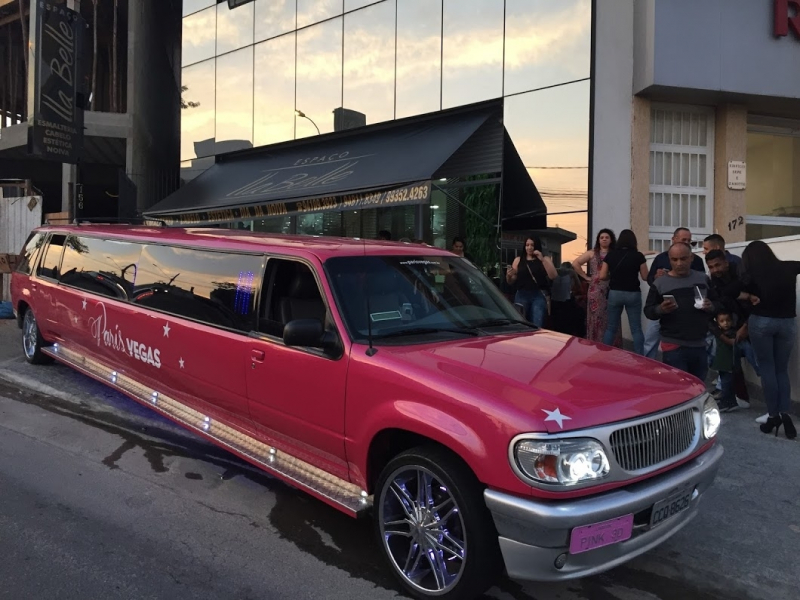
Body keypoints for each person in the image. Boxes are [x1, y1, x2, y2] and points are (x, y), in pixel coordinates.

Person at [740, 241, 800, 439]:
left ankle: (773, 415)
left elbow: (729, 291)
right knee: (781, 369)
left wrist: (748, 295)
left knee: (767, 368)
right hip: (787, 323)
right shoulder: (789, 267)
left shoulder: (750, 275)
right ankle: (785, 414)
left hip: (762, 322)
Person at [644, 243, 715, 380]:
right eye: (674, 259)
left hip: (699, 343)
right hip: (673, 345)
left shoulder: (703, 279)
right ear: (669, 259)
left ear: (691, 258)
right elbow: (648, 311)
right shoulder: (660, 283)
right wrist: (661, 309)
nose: (679, 263)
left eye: (683, 259)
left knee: (698, 388)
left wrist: (711, 306)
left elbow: (717, 304)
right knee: (679, 389)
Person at [705, 249, 759, 409]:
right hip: (729, 331)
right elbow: (713, 311)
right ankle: (731, 399)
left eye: (718, 265)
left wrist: (746, 327)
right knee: (726, 364)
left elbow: (758, 303)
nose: (715, 270)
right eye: (711, 267)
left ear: (726, 262)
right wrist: (722, 336)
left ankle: (775, 411)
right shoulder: (713, 282)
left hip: (752, 326)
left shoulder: (744, 276)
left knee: (763, 366)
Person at [643, 227, 705, 358]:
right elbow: (649, 279)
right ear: (674, 239)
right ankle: (647, 368)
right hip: (663, 306)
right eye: (684, 239)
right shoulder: (661, 258)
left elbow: (703, 285)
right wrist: (656, 277)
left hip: (690, 314)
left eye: (689, 240)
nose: (679, 263)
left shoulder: (697, 260)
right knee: (650, 339)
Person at [598, 229, 648, 354]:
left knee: (610, 328)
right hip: (633, 294)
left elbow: (602, 276)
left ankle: (604, 355)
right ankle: (640, 358)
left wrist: (613, 276)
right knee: (636, 329)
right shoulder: (638, 256)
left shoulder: (611, 255)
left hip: (615, 293)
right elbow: (645, 277)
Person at [572, 229, 620, 345]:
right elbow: (575, 263)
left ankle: (612, 346)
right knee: (596, 318)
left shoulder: (615, 253)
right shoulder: (592, 253)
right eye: (601, 237)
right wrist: (586, 277)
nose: (604, 239)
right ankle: (596, 345)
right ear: (598, 240)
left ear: (611, 240)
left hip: (611, 289)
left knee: (611, 317)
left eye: (607, 237)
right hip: (596, 290)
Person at [506, 235, 558, 327]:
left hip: (538, 294)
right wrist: (508, 276)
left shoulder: (544, 259)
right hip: (522, 294)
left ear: (536, 246)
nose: (529, 247)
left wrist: (542, 259)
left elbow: (553, 276)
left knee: (537, 322)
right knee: (521, 324)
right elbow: (511, 281)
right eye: (527, 245)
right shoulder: (518, 260)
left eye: (532, 245)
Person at [710, 308, 740, 413]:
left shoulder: (730, 334)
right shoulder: (721, 333)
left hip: (727, 363)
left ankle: (725, 402)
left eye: (728, 320)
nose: (725, 323)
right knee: (726, 382)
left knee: (726, 384)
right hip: (723, 363)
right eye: (722, 321)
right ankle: (731, 402)